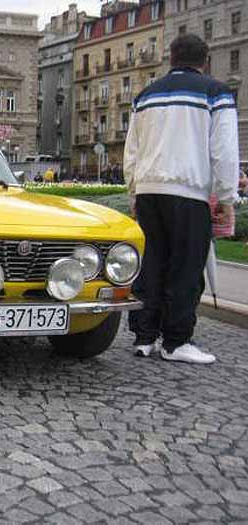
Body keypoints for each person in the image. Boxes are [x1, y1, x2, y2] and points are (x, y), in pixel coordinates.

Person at [124, 34, 238, 365]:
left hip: (149, 191)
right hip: (189, 192)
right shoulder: (216, 93)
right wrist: (226, 197)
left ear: (170, 59)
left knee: (150, 265)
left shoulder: (145, 96)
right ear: (206, 61)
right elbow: (224, 151)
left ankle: (144, 337)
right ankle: (176, 341)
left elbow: (132, 151)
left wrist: (134, 191)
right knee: (186, 269)